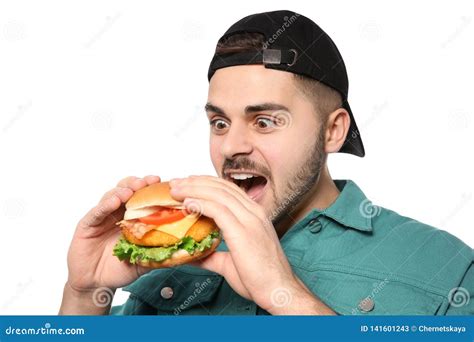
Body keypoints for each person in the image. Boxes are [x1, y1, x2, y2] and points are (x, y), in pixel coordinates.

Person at [59, 10, 473, 315]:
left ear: (333, 131)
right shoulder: (171, 252)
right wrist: (84, 293)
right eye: (219, 122)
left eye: (264, 121)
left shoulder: (447, 268)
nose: (232, 145)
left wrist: (284, 293)